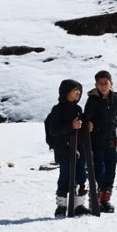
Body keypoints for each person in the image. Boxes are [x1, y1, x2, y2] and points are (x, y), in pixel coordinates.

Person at [83, 70, 117, 213]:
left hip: (111, 142)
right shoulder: (92, 100)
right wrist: (87, 124)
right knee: (99, 171)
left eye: (105, 83)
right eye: (100, 83)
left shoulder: (116, 99)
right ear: (96, 85)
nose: (103, 86)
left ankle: (105, 200)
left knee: (110, 171)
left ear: (111, 83)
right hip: (96, 142)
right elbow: (86, 117)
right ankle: (96, 198)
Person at [45, 79, 89, 217]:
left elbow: (80, 129)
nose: (78, 92)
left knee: (81, 176)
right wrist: (71, 126)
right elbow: (54, 131)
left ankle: (78, 205)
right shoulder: (57, 110)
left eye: (79, 90)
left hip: (78, 150)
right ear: (65, 92)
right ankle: (61, 206)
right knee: (65, 177)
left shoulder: (78, 110)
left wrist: (87, 127)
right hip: (64, 150)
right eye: (75, 90)